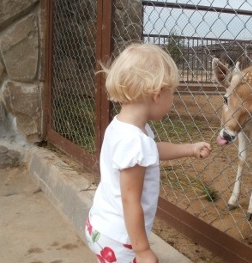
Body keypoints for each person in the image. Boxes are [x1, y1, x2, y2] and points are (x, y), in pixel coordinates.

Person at [85, 43, 220, 263]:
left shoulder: (122, 126)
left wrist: (190, 148)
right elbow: (130, 200)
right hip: (121, 241)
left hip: (100, 225)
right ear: (157, 95)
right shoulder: (134, 141)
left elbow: (152, 150)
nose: (173, 100)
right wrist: (142, 250)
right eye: (172, 93)